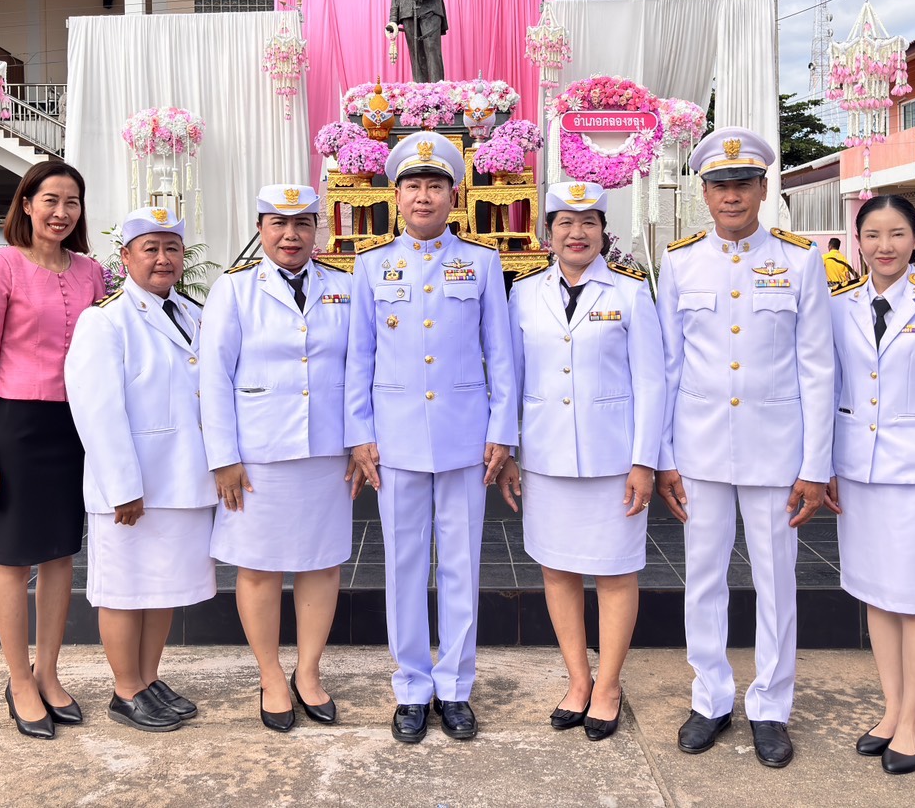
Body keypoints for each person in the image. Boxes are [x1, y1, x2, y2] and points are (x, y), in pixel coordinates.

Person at [653, 127, 833, 769]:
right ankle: (710, 698)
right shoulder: (678, 263)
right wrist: (665, 455)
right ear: (703, 192)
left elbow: (817, 367)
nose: (731, 196)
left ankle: (771, 706)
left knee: (775, 580)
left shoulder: (801, 260)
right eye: (719, 185)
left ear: (763, 188)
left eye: (742, 184)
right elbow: (668, 366)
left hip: (775, 450)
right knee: (702, 579)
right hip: (699, 451)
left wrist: (817, 465)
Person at [346, 130, 517, 744]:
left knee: (463, 563)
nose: (424, 196)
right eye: (413, 185)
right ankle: (412, 685)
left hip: (466, 436)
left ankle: (456, 685)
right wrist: (360, 434)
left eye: (436, 185)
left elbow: (500, 354)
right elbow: (358, 359)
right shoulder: (370, 266)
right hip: (394, 440)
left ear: (454, 193)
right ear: (396, 196)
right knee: (405, 563)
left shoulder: (482, 262)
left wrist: (503, 430)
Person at [506, 180, 665, 742]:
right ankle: (578, 679)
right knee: (556, 569)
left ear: (603, 231)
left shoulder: (630, 293)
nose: (577, 233)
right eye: (565, 223)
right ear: (547, 233)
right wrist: (510, 451)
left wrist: (645, 460)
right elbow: (512, 380)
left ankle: (610, 684)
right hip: (547, 457)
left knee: (616, 572)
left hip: (613, 460)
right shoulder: (523, 295)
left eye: (588, 223)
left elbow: (653, 383)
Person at [825, 194, 915, 775]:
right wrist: (826, 465)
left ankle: (914, 719)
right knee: (878, 595)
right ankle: (890, 710)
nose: (883, 246)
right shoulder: (839, 306)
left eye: (896, 234)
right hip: (858, 470)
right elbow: (831, 383)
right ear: (856, 242)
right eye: (872, 235)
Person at [200, 184, 354, 732]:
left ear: (319, 230)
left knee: (322, 564)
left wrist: (360, 443)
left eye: (303, 224)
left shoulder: (344, 286)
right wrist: (223, 457)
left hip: (326, 451)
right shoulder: (234, 290)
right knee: (259, 568)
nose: (291, 235)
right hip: (258, 455)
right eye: (278, 224)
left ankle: (308, 672)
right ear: (261, 228)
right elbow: (213, 377)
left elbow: (360, 372)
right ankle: (270, 675)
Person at [0, 160, 105, 740]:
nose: (60, 212)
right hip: (17, 422)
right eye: (49, 200)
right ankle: (18, 679)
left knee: (60, 553)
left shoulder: (92, 271)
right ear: (26, 203)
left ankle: (47, 672)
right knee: (14, 555)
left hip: (77, 425)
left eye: (71, 202)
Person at [64, 206, 216, 733]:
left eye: (171, 248)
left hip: (182, 480)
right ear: (125, 257)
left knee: (163, 587)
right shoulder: (104, 320)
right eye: (149, 248)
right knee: (126, 590)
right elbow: (98, 412)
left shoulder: (195, 312)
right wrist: (123, 488)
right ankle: (124, 688)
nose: (162, 258)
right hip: (133, 487)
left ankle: (148, 679)